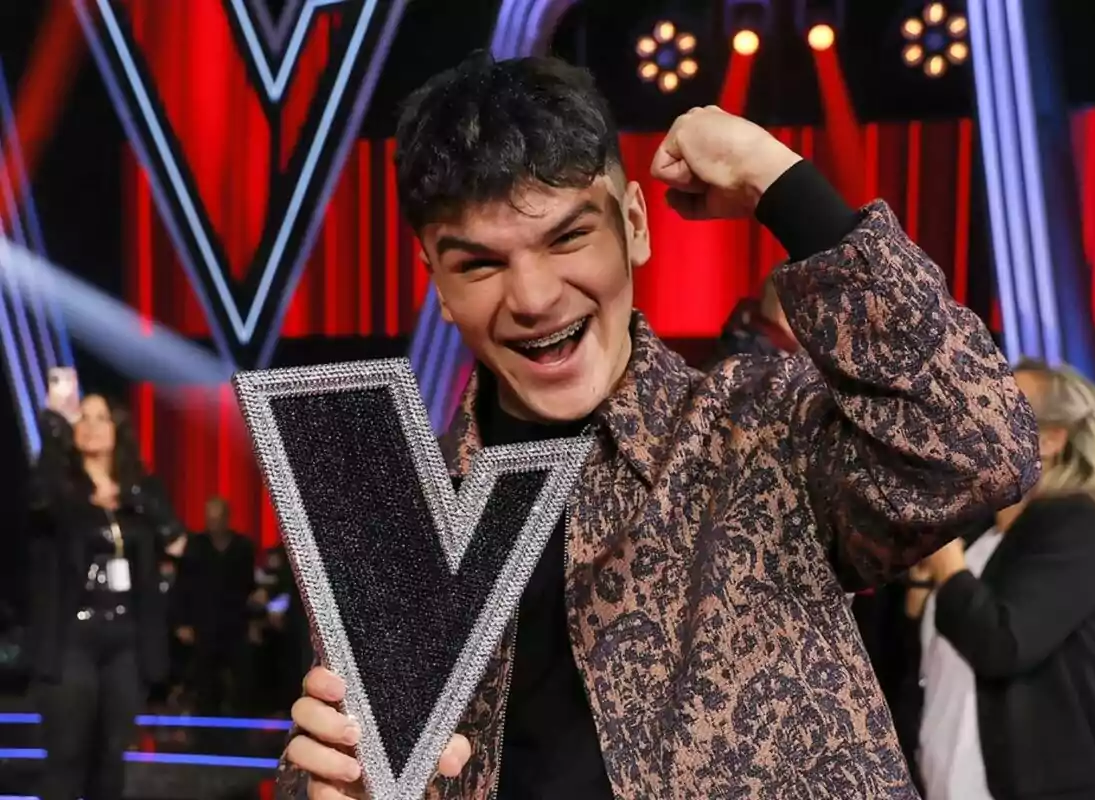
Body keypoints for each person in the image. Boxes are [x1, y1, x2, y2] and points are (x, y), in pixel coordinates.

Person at [279, 54, 1039, 799]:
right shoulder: (390, 520)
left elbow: (979, 447)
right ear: (437, 285)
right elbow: (352, 761)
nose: (536, 297)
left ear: (634, 225)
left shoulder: (759, 429)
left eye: (567, 237)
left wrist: (778, 179)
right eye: (479, 265)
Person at [912, 359, 1095, 800]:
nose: (977, 419)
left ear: (1051, 440)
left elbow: (1004, 643)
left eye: (1002, 407)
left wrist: (947, 565)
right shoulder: (980, 534)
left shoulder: (1077, 528)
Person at [27, 378, 185, 800]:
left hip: (126, 641)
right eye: (83, 417)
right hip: (72, 638)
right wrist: (54, 424)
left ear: (118, 428)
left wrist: (139, 498)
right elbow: (39, 500)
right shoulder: (62, 489)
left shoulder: (141, 491)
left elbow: (177, 542)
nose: (92, 426)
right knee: (66, 756)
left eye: (102, 418)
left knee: (111, 761)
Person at [174, 496, 257, 715]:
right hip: (204, 621)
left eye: (218, 518)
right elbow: (182, 585)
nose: (213, 523)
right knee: (205, 682)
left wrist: (254, 621)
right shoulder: (194, 545)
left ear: (227, 518)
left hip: (236, 621)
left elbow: (250, 586)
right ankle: (205, 733)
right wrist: (182, 621)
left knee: (242, 681)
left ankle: (241, 731)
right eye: (209, 518)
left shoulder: (243, 547)